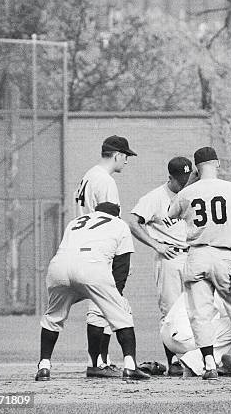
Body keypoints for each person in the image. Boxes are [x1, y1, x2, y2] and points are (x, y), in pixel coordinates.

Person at [167, 146, 231, 380]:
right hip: (226, 255)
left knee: (200, 314)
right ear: (218, 163)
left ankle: (209, 364)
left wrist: (189, 183)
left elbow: (170, 215)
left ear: (196, 168)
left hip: (197, 255)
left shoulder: (188, 192)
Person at [34, 202, 149, 381]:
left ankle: (44, 366)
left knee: (53, 317)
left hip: (59, 266)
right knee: (122, 315)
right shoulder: (119, 224)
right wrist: (114, 297)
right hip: (92, 267)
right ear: (116, 215)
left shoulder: (75, 221)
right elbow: (122, 266)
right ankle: (130, 366)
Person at [73, 135, 137, 378]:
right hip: (101, 247)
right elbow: (111, 220)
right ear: (117, 155)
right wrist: (120, 256)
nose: (127, 161)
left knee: (104, 304)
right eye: (126, 156)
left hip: (85, 244)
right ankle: (97, 363)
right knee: (105, 304)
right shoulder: (106, 181)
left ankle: (100, 360)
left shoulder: (88, 176)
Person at [128, 157, 192, 376]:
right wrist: (156, 245)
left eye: (187, 178)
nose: (184, 183)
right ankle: (173, 360)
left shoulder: (193, 193)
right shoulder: (155, 197)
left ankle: (196, 358)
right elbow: (134, 222)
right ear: (170, 178)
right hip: (170, 257)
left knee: (198, 309)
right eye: (180, 180)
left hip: (193, 256)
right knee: (170, 310)